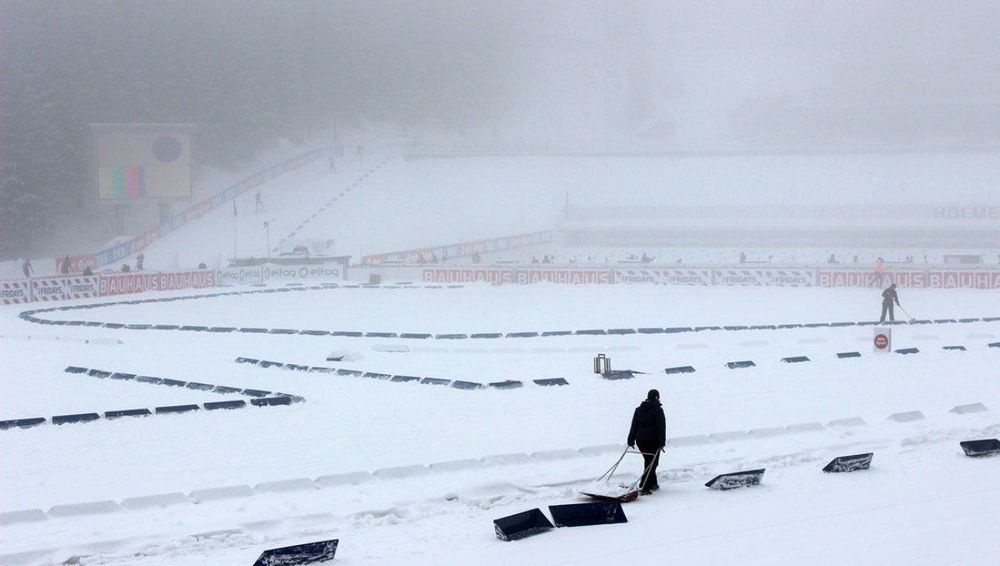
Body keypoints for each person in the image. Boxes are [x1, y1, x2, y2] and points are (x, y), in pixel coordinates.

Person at [627, 389, 666, 495]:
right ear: (657, 397)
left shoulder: (639, 409)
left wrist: (631, 440)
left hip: (641, 441)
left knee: (649, 461)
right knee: (652, 463)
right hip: (653, 441)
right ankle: (644, 486)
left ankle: (653, 484)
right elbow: (661, 427)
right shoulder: (658, 410)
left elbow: (634, 425)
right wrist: (662, 443)